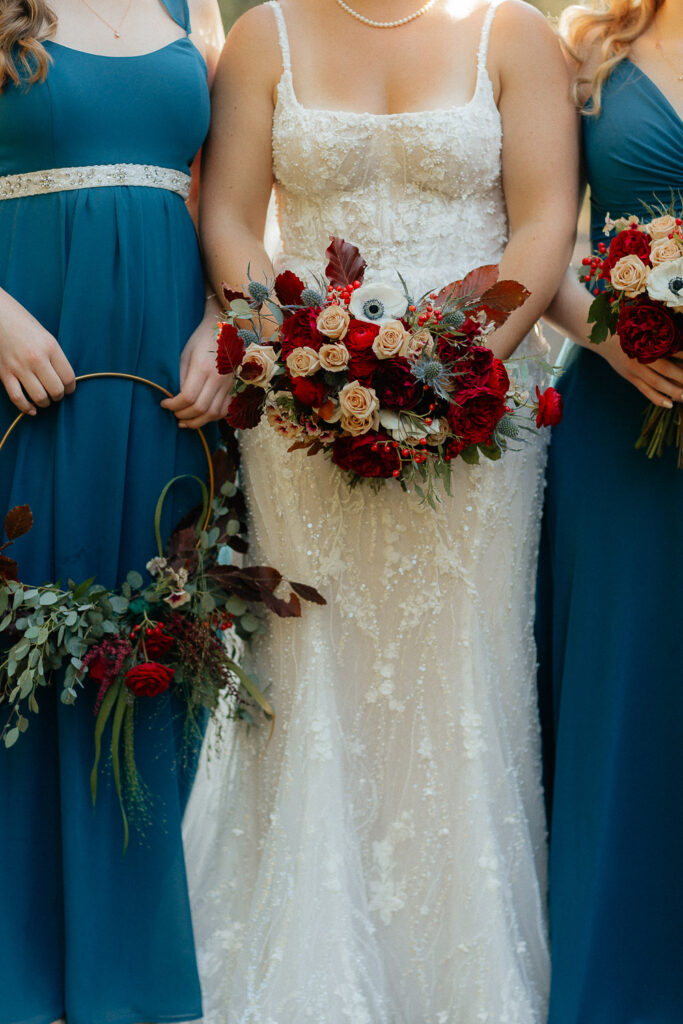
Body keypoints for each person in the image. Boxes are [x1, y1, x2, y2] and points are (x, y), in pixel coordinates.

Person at [184, 0, 578, 1020]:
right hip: (303, 418)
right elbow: (227, 216)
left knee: (461, 669)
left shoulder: (514, 34)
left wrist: (451, 367)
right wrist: (287, 346)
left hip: (476, 420)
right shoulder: (263, 34)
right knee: (314, 663)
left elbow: (541, 221)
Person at [0, 2, 228, 1023]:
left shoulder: (192, 5)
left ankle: (128, 979)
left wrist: (230, 321)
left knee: (143, 632)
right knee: (18, 639)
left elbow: (226, 191)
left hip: (163, 366)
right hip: (26, 346)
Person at [537, 0, 683, 1020]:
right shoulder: (585, 51)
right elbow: (537, 240)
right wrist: (610, 337)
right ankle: (611, 984)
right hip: (616, 418)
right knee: (620, 692)